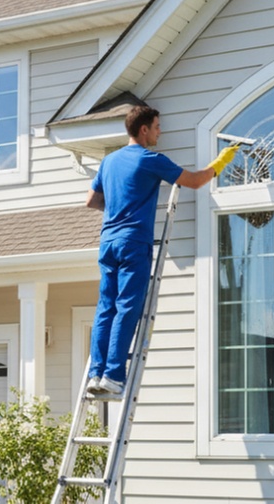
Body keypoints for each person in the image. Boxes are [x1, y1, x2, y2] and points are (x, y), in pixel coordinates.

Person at [84, 105, 238, 395]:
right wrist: (221, 162)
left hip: (108, 242)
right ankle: (113, 377)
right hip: (133, 242)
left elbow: (91, 201)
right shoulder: (150, 159)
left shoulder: (109, 161)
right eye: (157, 127)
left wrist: (118, 207)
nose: (159, 132)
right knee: (127, 307)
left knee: (106, 307)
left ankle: (96, 374)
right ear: (143, 130)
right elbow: (193, 182)